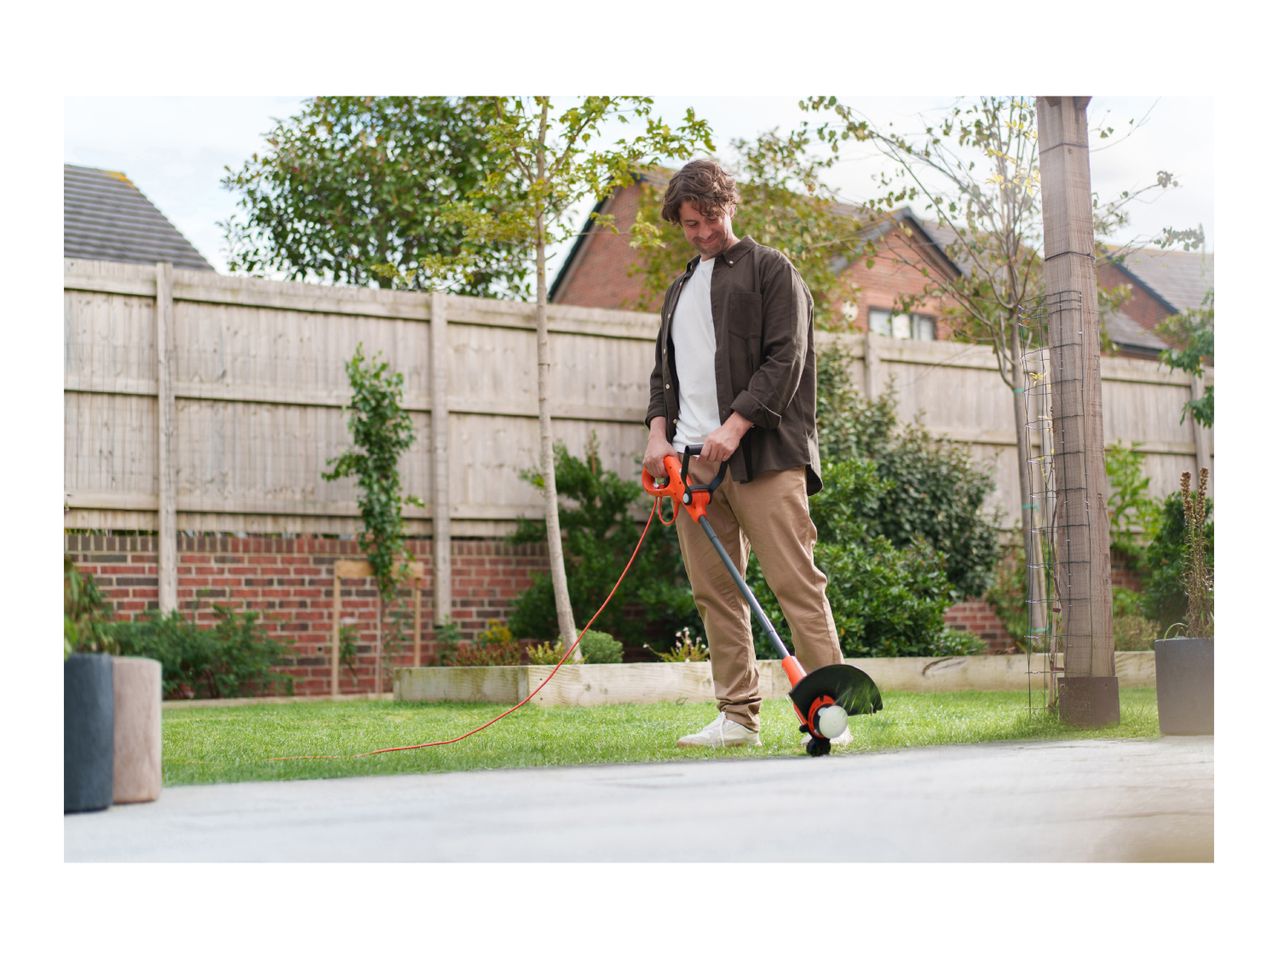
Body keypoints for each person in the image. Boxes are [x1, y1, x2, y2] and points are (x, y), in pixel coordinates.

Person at [642, 158, 850, 749]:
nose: (702, 232)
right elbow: (665, 372)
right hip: (693, 465)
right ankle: (737, 717)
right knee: (715, 594)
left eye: (709, 218)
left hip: (763, 458)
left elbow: (787, 358)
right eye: (688, 224)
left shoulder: (770, 270)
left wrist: (735, 426)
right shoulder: (679, 288)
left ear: (728, 205)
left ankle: (831, 711)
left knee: (795, 583)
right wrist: (659, 433)